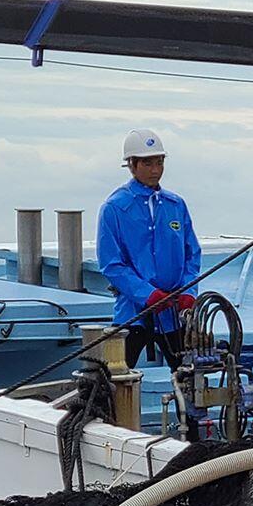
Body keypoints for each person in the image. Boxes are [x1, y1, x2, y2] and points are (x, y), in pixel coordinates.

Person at [97, 129, 200, 367]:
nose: (155, 170)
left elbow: (192, 254)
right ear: (132, 165)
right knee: (114, 378)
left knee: (188, 378)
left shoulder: (176, 205)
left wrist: (188, 292)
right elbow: (111, 264)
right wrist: (147, 294)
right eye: (147, 163)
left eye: (159, 162)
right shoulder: (114, 208)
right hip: (132, 313)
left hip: (173, 314)